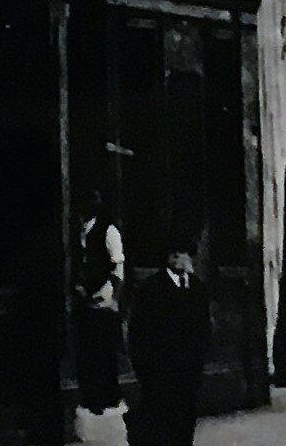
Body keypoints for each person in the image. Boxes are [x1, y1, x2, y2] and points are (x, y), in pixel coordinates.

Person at [127, 249, 209, 446]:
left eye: (187, 254)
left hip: (189, 370)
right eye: (178, 254)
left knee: (185, 420)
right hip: (159, 371)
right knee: (161, 423)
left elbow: (204, 328)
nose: (185, 260)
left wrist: (198, 361)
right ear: (170, 258)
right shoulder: (152, 289)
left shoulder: (197, 288)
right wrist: (144, 369)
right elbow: (138, 333)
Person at [74, 191, 127, 414]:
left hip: (103, 299)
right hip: (84, 300)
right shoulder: (79, 232)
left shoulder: (108, 230)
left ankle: (109, 398)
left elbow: (118, 265)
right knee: (88, 352)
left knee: (105, 351)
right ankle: (92, 398)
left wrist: (110, 294)